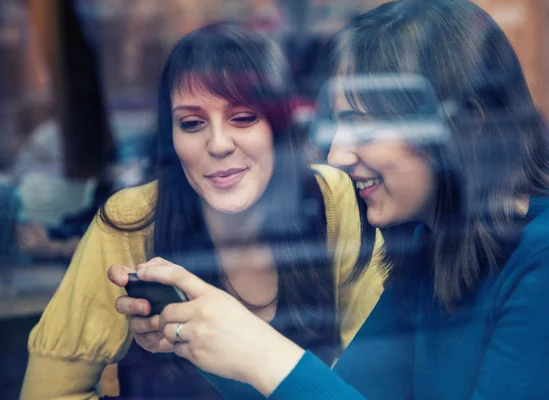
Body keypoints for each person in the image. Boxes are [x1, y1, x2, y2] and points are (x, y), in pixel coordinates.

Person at [125, 1, 549, 399]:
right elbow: (343, 393)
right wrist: (201, 335)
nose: (337, 154)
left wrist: (261, 353)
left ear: (467, 123)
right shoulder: (431, 244)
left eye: (364, 124)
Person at [20, 22, 386, 399]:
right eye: (192, 123)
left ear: (279, 127)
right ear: (171, 138)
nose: (218, 144)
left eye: (243, 117)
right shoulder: (133, 219)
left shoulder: (332, 196)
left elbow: (377, 378)